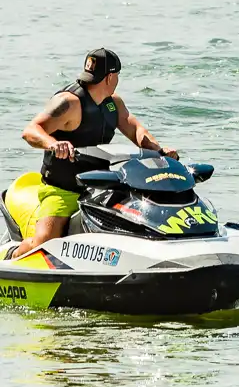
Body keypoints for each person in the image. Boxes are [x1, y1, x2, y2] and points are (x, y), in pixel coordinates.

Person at [6, 49, 176, 261]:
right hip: (63, 189)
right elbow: (31, 130)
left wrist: (160, 151)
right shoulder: (69, 103)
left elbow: (135, 130)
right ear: (110, 77)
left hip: (99, 187)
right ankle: (11, 256)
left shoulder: (113, 104)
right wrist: (54, 144)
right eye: (117, 76)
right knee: (45, 242)